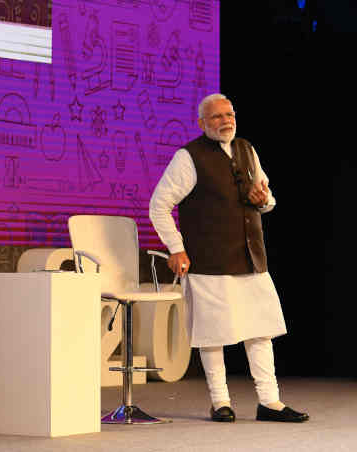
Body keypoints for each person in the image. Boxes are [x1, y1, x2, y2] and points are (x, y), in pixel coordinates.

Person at [148, 93, 309, 423]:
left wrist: (263, 200)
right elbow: (159, 206)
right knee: (213, 335)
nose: (225, 121)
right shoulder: (188, 157)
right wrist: (176, 248)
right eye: (217, 117)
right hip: (209, 260)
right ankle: (221, 402)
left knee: (260, 330)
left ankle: (270, 402)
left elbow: (268, 200)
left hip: (251, 257)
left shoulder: (247, 149)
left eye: (229, 114)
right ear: (202, 123)